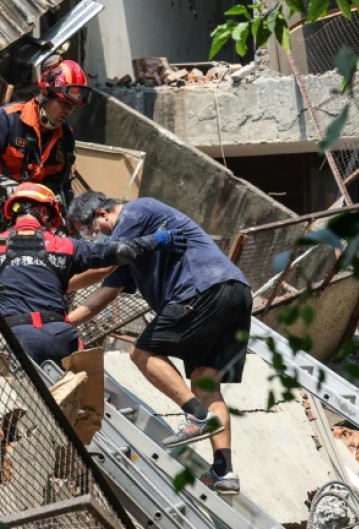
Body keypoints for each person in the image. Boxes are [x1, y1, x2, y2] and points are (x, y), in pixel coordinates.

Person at [67, 192, 252, 495]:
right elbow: (103, 294)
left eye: (88, 228)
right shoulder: (129, 253)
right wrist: (64, 323)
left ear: (101, 213)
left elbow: (102, 266)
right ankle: (224, 472)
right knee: (206, 383)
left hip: (201, 289)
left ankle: (196, 415)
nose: (92, 236)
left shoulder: (137, 211)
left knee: (141, 353)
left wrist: (56, 278)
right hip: (235, 294)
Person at [0, 183, 186, 366]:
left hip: (19, 339)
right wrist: (159, 240)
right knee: (81, 413)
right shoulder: (63, 245)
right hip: (64, 337)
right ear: (44, 213)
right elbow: (120, 252)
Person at [0, 55, 87, 239]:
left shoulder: (66, 137)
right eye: (64, 103)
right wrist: (4, 184)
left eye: (73, 106)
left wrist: (71, 221)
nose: (68, 111)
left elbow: (60, 184)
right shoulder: (8, 118)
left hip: (26, 217)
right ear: (45, 94)